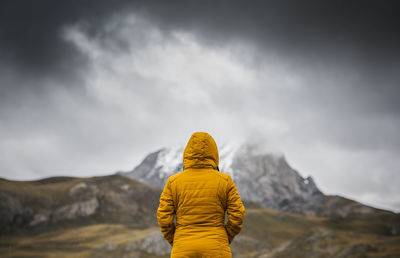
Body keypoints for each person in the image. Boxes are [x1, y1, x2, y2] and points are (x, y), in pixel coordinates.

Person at [157, 132, 245, 257]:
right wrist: (224, 237)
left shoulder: (173, 182)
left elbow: (163, 218)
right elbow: (238, 215)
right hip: (217, 246)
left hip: (183, 247)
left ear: (187, 154)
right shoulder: (225, 181)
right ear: (214, 154)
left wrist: (176, 240)